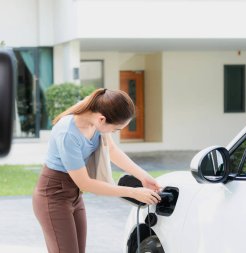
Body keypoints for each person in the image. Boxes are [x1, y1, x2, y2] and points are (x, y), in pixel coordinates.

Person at [32, 88, 161, 253]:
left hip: (74, 195)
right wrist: (133, 192)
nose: (113, 133)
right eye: (115, 129)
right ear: (102, 119)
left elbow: (112, 151)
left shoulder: (95, 123)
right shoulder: (68, 134)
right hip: (52, 196)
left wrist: (144, 176)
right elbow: (85, 183)